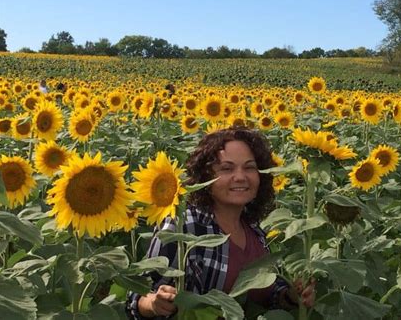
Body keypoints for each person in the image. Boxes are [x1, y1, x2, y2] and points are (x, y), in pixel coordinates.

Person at [126, 127, 314, 319]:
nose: (240, 177)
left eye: (249, 167)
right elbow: (139, 294)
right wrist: (153, 303)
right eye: (227, 168)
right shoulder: (184, 225)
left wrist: (290, 296)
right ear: (206, 176)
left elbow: (266, 297)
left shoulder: (254, 229)